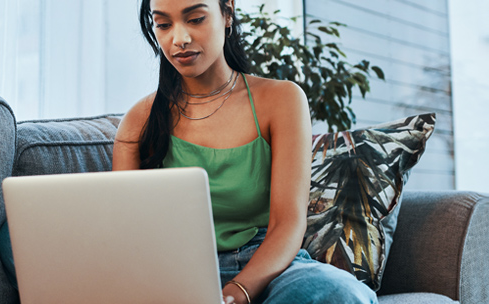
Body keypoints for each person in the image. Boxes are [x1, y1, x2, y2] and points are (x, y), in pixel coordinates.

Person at [112, 0, 379, 303]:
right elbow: (128, 234)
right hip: (175, 271)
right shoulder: (140, 120)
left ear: (227, 13)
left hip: (266, 266)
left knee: (337, 294)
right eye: (163, 25)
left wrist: (239, 290)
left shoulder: (281, 100)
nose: (179, 39)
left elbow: (287, 224)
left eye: (196, 19)